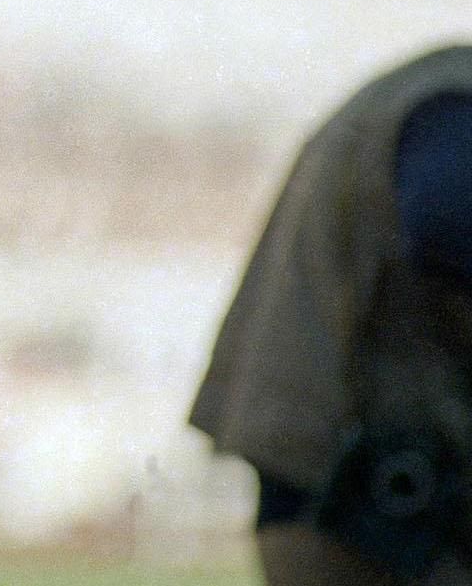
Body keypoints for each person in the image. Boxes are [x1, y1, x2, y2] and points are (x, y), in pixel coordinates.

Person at [192, 45, 472, 586]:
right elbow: (441, 219)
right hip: (387, 523)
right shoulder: (453, 103)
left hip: (356, 503)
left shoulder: (432, 90)